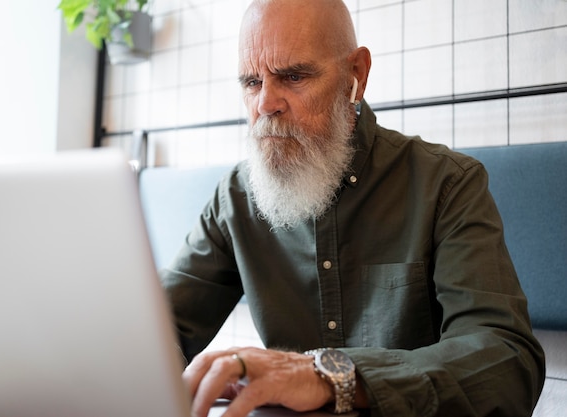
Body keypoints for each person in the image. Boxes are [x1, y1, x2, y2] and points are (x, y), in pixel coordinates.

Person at [160, 0, 546, 416]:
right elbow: (157, 328)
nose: (266, 104)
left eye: (293, 76)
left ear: (355, 75)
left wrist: (330, 376)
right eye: (252, 82)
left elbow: (505, 361)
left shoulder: (447, 184)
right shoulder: (235, 198)